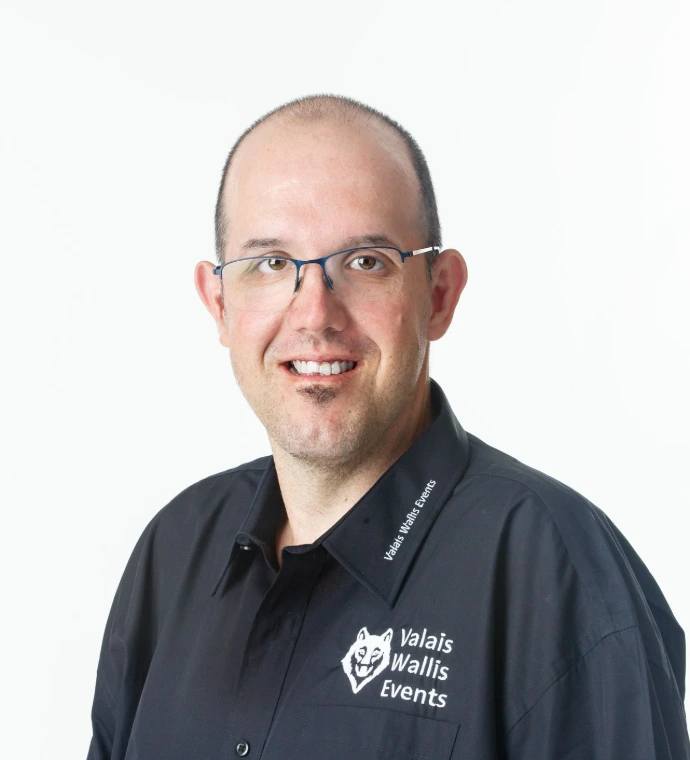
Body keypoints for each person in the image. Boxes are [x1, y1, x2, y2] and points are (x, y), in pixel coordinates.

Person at [86, 94, 689, 760]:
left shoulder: (560, 575)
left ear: (439, 294)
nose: (314, 315)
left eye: (366, 262)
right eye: (272, 264)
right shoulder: (173, 553)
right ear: (220, 303)